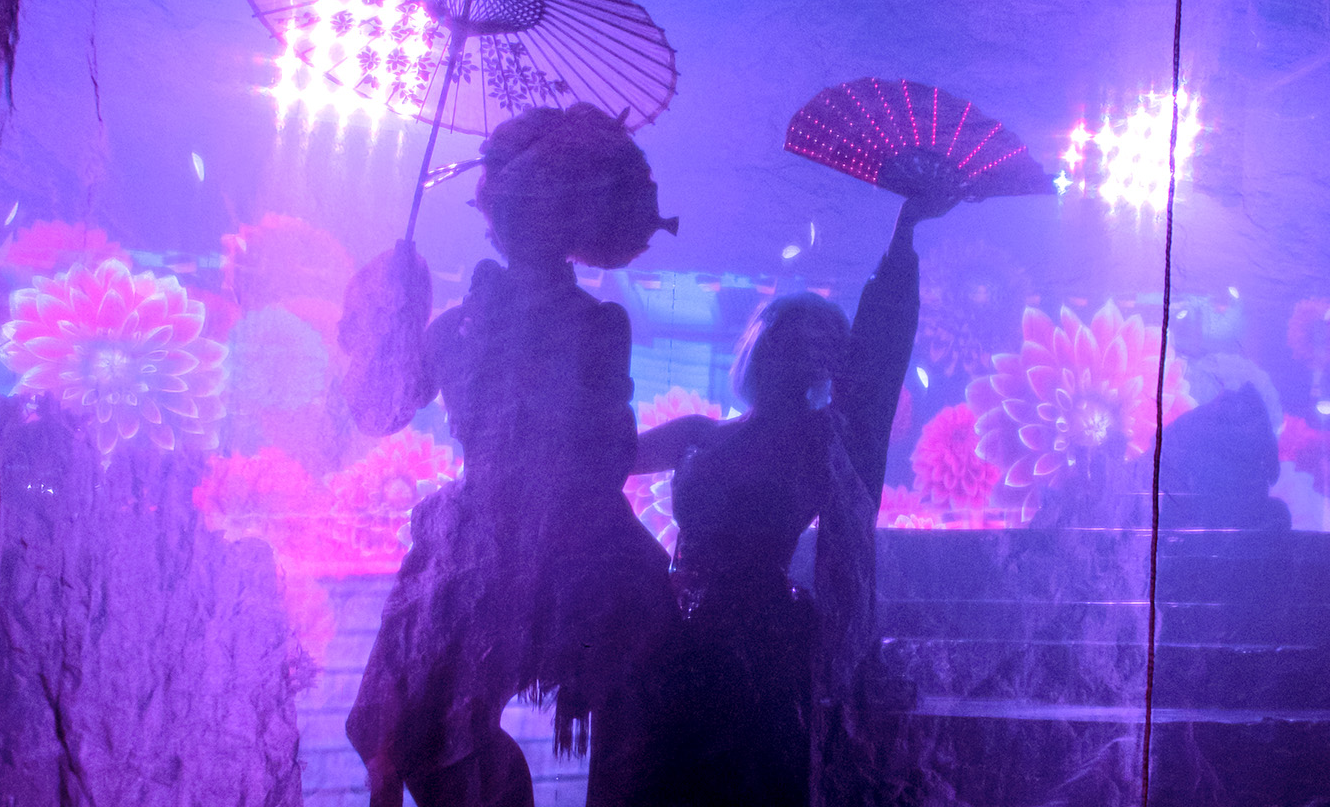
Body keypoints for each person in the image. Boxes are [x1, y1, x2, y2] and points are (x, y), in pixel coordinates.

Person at [339, 104, 680, 807]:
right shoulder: (457, 325)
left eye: (533, 202)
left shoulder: (586, 325)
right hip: (480, 543)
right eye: (509, 201)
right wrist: (390, 306)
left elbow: (603, 454)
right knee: (395, 727)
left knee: (433, 729)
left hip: (562, 549)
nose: (511, 216)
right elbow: (379, 408)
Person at [633, 191, 956, 805]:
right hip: (676, 635)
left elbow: (879, 367)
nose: (801, 353)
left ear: (831, 365)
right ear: (762, 345)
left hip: (763, 641)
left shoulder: (824, 445)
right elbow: (598, 458)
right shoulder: (697, 434)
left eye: (819, 345)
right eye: (790, 339)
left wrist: (902, 237)